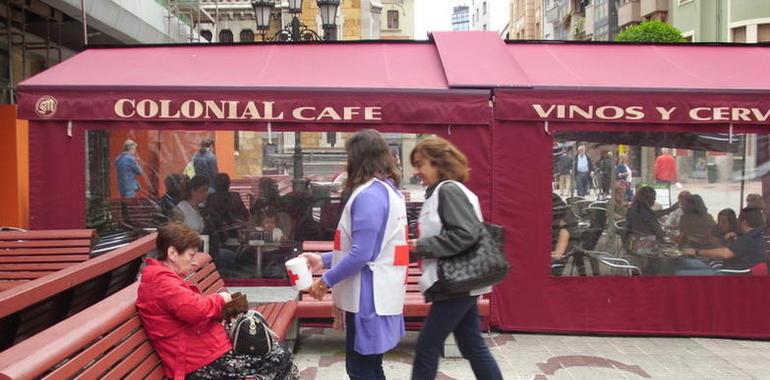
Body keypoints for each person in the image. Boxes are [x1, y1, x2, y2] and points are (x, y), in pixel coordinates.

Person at [301, 129, 408, 380]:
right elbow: (371, 248)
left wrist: (324, 281)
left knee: (361, 370)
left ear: (357, 158)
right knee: (370, 367)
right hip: (382, 291)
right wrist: (323, 259)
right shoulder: (388, 191)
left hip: (368, 295)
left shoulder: (369, 195)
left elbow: (361, 253)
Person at [135, 223, 298, 380]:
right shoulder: (162, 283)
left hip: (207, 352)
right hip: (199, 363)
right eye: (190, 255)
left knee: (279, 353)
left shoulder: (164, 279)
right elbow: (196, 310)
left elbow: (192, 307)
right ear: (172, 253)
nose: (193, 261)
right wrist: (221, 299)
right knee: (279, 357)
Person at [406, 136, 503, 380]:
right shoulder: (445, 191)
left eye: (421, 164)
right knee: (472, 345)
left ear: (439, 163)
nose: (417, 171)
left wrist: (421, 245)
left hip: (455, 282)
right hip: (461, 282)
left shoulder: (447, 190)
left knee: (427, 347)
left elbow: (465, 233)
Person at [677, 207, 768, 276]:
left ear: (744, 222)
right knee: (684, 262)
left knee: (680, 273)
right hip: (724, 266)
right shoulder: (754, 235)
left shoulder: (749, 238)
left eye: (739, 219)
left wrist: (697, 251)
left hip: (728, 273)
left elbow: (725, 253)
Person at [626, 186, 679, 255]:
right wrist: (665, 237)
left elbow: (654, 214)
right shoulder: (643, 211)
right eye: (654, 198)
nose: (655, 200)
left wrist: (670, 209)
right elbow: (657, 230)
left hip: (633, 241)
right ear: (647, 198)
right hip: (643, 245)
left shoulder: (635, 207)